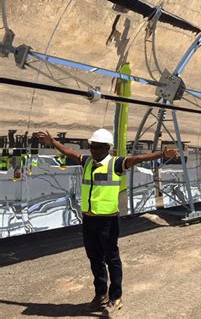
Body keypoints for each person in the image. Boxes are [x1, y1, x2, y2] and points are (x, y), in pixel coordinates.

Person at [38, 129, 178, 316]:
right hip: (89, 220)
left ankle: (116, 297)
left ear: (107, 148)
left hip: (108, 221)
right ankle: (100, 295)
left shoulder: (116, 164)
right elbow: (69, 152)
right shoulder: (87, 162)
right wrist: (53, 142)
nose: (93, 150)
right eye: (92, 146)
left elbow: (139, 158)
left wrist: (162, 153)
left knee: (111, 259)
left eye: (97, 147)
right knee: (94, 259)